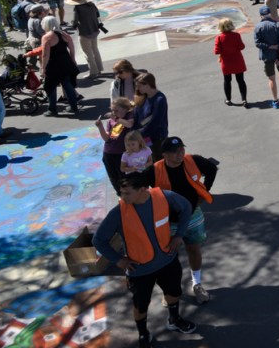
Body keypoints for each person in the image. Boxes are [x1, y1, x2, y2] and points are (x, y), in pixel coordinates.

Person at [93, 174, 197, 346]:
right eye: (121, 192)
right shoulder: (117, 213)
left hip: (168, 262)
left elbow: (186, 207)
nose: (122, 197)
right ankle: (143, 334)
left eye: (127, 193)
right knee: (141, 306)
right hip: (139, 271)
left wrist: (179, 235)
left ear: (142, 190)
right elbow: (98, 240)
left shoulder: (165, 197)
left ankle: (174, 319)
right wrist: (119, 260)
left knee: (173, 293)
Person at [142, 136, 218, 305]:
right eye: (175, 151)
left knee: (194, 249)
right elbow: (139, 186)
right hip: (167, 221)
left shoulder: (193, 160)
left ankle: (197, 284)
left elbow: (212, 168)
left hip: (192, 215)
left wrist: (205, 191)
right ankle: (169, 290)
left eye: (182, 149)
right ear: (164, 155)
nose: (180, 153)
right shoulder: (154, 171)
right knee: (169, 255)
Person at [38, 16, 80, 117]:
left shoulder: (46, 37)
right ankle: (73, 106)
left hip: (53, 65)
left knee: (50, 87)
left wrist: (43, 68)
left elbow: (45, 55)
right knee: (67, 85)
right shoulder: (64, 34)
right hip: (66, 62)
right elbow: (72, 48)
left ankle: (52, 109)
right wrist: (73, 60)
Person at [96, 97, 135, 192]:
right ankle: (120, 194)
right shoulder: (111, 121)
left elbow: (129, 124)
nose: (114, 113)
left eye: (116, 110)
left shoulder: (129, 116)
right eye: (112, 110)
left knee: (125, 177)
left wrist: (117, 119)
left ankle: (128, 193)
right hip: (109, 153)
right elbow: (107, 138)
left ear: (125, 109)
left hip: (121, 154)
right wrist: (100, 127)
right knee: (113, 177)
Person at [254, 6, 279, 107]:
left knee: (271, 78)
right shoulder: (278, 25)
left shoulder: (258, 27)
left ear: (261, 16)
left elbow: (257, 43)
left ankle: (275, 100)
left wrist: (269, 46)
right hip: (278, 54)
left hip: (267, 56)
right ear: (270, 14)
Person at [68, 0, 104, 79]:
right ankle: (99, 69)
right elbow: (97, 15)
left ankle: (93, 72)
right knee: (95, 50)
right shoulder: (91, 5)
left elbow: (75, 22)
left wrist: (73, 24)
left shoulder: (77, 8)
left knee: (88, 53)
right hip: (94, 30)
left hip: (84, 32)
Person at [133, 72, 169, 156]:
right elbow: (136, 117)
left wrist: (138, 134)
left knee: (158, 160)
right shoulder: (143, 97)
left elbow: (155, 121)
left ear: (148, 84)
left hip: (157, 139)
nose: (137, 88)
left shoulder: (160, 99)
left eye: (139, 86)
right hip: (144, 138)